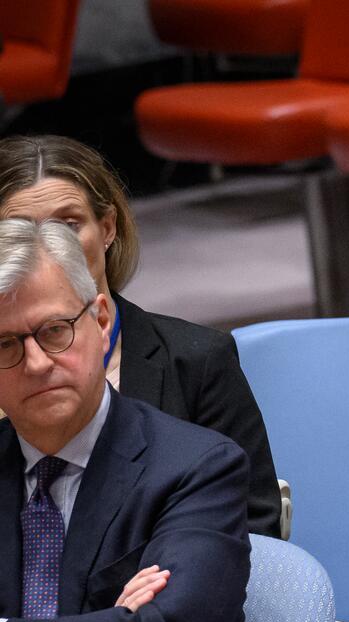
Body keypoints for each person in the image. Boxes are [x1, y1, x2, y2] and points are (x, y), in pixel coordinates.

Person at [0, 219, 250, 622]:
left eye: (54, 331)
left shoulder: (196, 467)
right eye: (4, 344)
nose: (36, 363)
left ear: (100, 322)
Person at [0, 135, 281, 537]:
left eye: (68, 225)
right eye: (23, 231)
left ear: (107, 228)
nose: (49, 248)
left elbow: (254, 529)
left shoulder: (197, 361)